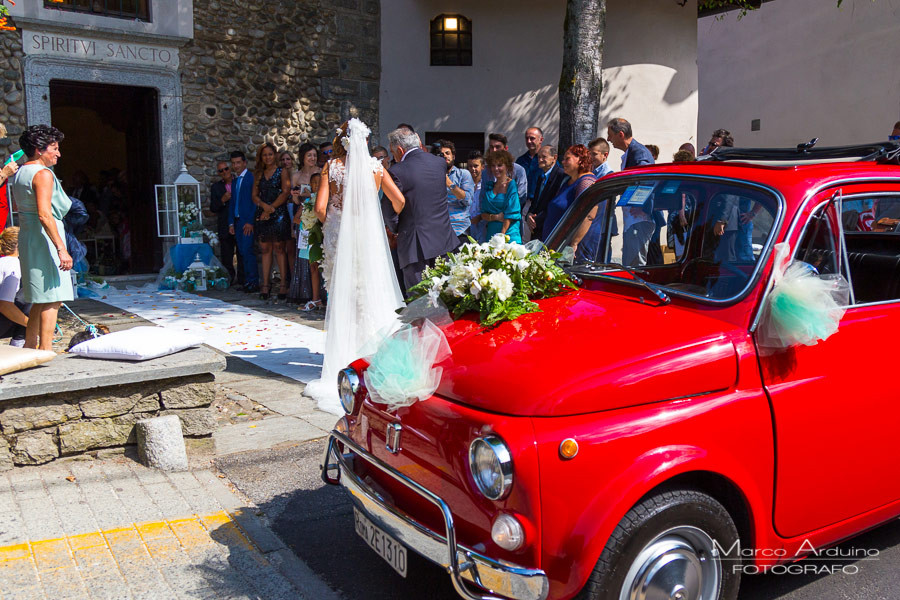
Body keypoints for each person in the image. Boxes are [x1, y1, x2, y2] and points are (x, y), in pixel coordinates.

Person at [306, 119, 406, 414]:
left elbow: (320, 209)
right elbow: (399, 202)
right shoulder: (376, 167)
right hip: (369, 238)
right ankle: (371, 356)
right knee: (371, 291)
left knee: (344, 296)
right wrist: (375, 216)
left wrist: (337, 225)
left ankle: (344, 357)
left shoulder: (332, 167)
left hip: (340, 238)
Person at [12, 124, 73, 351]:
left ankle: (30, 346)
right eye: (54, 148)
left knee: (39, 296)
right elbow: (45, 214)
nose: (58, 153)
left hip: (29, 236)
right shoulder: (42, 173)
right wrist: (61, 248)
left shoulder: (20, 173)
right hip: (44, 238)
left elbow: (20, 207)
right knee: (52, 297)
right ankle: (46, 350)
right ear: (39, 149)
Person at [388, 127, 460, 290]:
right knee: (446, 294)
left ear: (399, 149)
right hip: (444, 240)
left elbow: (388, 208)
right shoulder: (439, 163)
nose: (394, 157)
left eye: (393, 153)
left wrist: (396, 228)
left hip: (414, 246)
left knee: (419, 298)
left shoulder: (397, 170)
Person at [252, 142, 292, 300]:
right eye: (264, 155)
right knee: (265, 249)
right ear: (261, 157)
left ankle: (283, 284)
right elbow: (254, 195)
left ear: (274, 155)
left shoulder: (281, 171)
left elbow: (286, 191)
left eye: (270, 154)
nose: (267, 157)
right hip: (263, 213)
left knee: (279, 248)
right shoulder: (259, 173)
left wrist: (272, 208)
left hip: (278, 212)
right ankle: (266, 284)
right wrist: (264, 207)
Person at [289, 143, 324, 309]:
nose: (313, 158)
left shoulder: (321, 172)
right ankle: (307, 292)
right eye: (309, 155)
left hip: (318, 216)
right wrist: (296, 196)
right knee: (305, 259)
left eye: (314, 155)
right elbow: (295, 202)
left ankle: (321, 295)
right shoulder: (296, 176)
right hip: (303, 217)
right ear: (303, 157)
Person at [542, 145, 596, 244]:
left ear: (580, 160)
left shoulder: (586, 182)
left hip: (568, 246)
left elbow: (588, 216)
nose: (563, 162)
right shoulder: (567, 181)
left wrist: (574, 243)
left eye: (567, 159)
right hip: (552, 243)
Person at [227, 150, 259, 293]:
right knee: (241, 252)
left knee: (248, 251)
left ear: (244, 163)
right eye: (233, 163)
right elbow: (233, 202)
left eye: (238, 162)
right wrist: (231, 223)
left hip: (247, 221)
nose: (236, 166)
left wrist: (251, 221)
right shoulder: (234, 181)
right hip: (238, 221)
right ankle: (246, 281)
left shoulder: (251, 178)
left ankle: (253, 282)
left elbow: (254, 201)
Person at [473, 150, 522, 244]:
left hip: (508, 237)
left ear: (507, 166)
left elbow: (511, 215)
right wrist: (495, 217)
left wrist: (501, 237)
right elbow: (483, 214)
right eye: (493, 165)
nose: (496, 168)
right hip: (491, 236)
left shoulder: (511, 185)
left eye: (499, 165)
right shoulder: (489, 186)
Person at [372, 145, 403, 290]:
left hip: (394, 228)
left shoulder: (396, 174)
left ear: (388, 158)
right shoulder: (371, 178)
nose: (379, 161)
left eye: (381, 157)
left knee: (396, 265)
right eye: (375, 158)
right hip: (378, 228)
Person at [437, 140, 475, 244]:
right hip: (439, 232)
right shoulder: (433, 177)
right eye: (441, 154)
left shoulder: (463, 174)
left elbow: (467, 201)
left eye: (447, 153)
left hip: (460, 230)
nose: (445, 156)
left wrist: (449, 184)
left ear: (453, 156)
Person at [209, 159, 240, 284]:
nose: (224, 172)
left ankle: (243, 279)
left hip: (239, 223)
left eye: (226, 169)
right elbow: (213, 208)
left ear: (230, 169)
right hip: (224, 225)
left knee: (242, 253)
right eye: (220, 171)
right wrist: (222, 199)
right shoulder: (216, 187)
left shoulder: (239, 182)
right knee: (226, 255)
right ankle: (229, 279)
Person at [527, 145, 568, 241]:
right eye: (539, 157)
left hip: (550, 230)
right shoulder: (541, 177)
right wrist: (529, 215)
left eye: (544, 157)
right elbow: (535, 203)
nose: (540, 159)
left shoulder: (561, 176)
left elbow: (556, 204)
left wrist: (536, 220)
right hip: (536, 230)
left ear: (554, 157)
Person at [0, 227, 29, 347]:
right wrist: (33, 326)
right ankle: (19, 341)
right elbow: (5, 305)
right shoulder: (13, 264)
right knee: (32, 294)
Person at [515, 127, 544, 209]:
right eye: (527, 138)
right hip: (522, 205)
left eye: (532, 138)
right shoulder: (521, 160)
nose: (529, 141)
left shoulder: (548, 160)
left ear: (541, 140)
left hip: (541, 205)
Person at [466, 152, 486, 242]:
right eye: (470, 166)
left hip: (483, 224)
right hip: (468, 226)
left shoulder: (486, 185)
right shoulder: (464, 185)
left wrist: (481, 217)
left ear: (482, 167)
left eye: (475, 166)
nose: (473, 169)